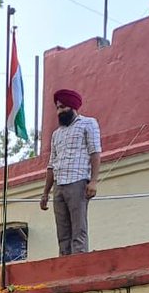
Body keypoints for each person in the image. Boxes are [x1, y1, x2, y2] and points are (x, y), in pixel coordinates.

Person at [39, 88, 102, 255]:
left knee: (78, 230)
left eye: (63, 107)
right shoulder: (56, 134)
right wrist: (46, 192)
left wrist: (94, 181)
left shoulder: (88, 123)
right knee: (63, 234)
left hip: (78, 181)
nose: (60, 111)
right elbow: (51, 164)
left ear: (73, 107)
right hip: (59, 185)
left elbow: (95, 152)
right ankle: (64, 268)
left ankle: (79, 267)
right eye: (58, 108)